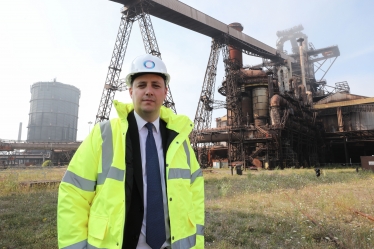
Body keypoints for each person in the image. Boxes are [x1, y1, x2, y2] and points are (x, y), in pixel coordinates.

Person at [57, 54, 205, 249]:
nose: (149, 91)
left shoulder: (179, 139)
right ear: (130, 91)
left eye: (156, 85)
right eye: (142, 85)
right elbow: (74, 193)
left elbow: (196, 195)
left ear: (165, 92)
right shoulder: (104, 134)